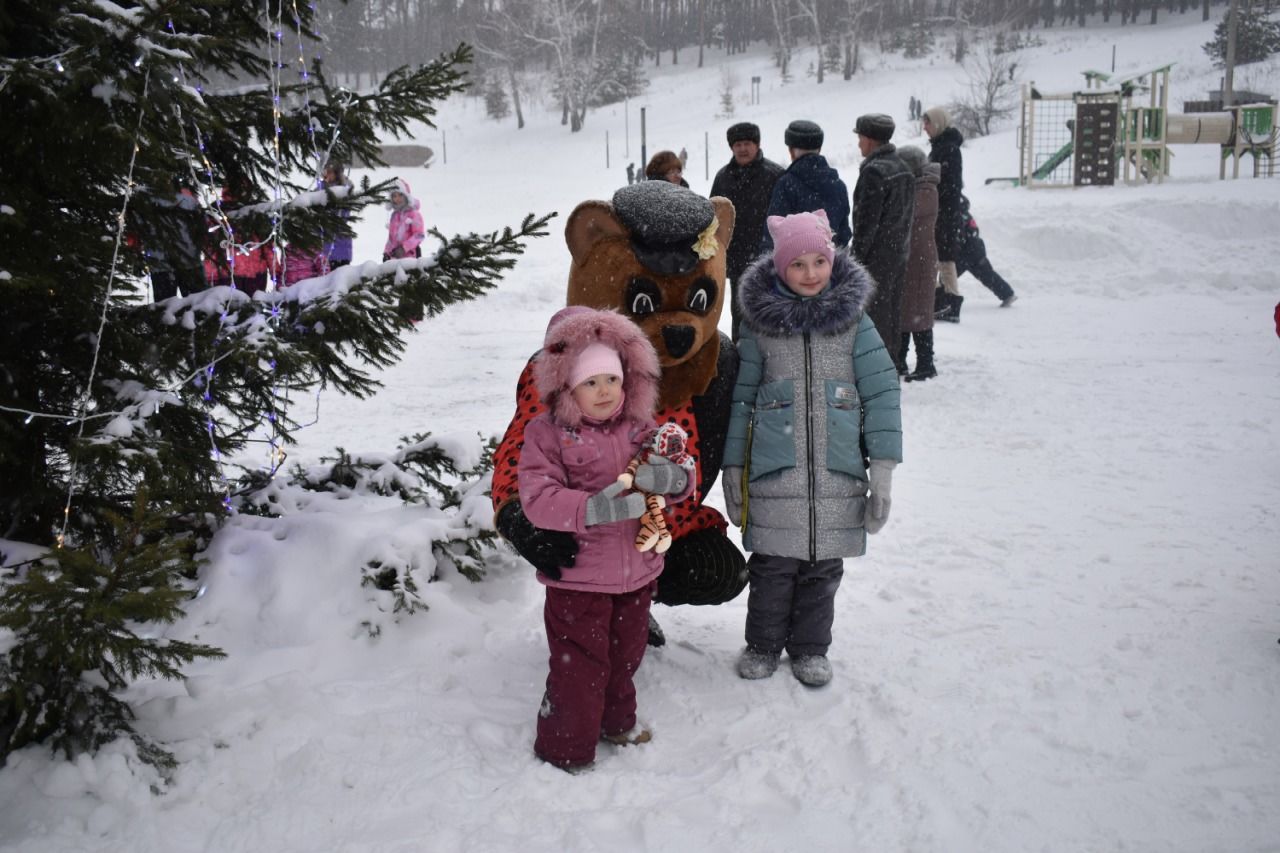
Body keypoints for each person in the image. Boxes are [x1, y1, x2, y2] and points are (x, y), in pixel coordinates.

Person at [722, 210, 903, 687]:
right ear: (780, 267)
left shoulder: (853, 324)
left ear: (832, 260)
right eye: (797, 264)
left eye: (818, 262)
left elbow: (883, 391)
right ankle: (762, 644)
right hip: (774, 474)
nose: (809, 274)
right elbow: (741, 399)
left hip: (837, 473)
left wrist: (882, 469)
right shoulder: (761, 328)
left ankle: (809, 648)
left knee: (822, 571)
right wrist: (733, 463)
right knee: (772, 569)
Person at [518, 306, 695, 771]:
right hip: (579, 579)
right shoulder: (548, 434)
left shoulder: (640, 427)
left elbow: (679, 470)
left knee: (625, 657)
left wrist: (673, 479)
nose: (604, 392)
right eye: (590, 382)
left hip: (635, 574)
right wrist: (589, 509)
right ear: (567, 384)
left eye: (612, 380)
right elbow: (537, 497)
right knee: (579, 666)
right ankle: (565, 746)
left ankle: (618, 722)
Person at [850, 113, 915, 374]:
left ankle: (877, 371)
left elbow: (867, 224)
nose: (858, 145)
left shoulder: (874, 172)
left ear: (869, 140)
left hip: (876, 259)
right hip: (898, 254)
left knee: (873, 319)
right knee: (891, 313)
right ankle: (893, 363)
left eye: (860, 138)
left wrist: (857, 259)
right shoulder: (903, 168)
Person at [710, 121, 785, 341]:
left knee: (769, 313)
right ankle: (740, 360)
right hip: (736, 259)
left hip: (768, 259)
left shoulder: (774, 175)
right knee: (740, 315)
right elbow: (713, 215)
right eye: (738, 144)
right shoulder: (723, 177)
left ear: (758, 144)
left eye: (747, 143)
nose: (742, 149)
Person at [761, 120, 852, 252]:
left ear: (791, 151)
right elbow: (844, 235)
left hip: (795, 265)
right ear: (819, 149)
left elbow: (773, 233)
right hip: (829, 264)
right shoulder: (838, 185)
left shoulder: (786, 184)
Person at [896, 145, 940, 381]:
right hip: (912, 257)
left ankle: (926, 363)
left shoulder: (925, 189)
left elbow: (905, 212)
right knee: (905, 311)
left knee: (919, 314)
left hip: (920, 260)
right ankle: (899, 360)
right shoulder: (919, 186)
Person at [923, 106, 966, 323]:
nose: (924, 128)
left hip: (945, 213)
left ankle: (951, 303)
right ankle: (941, 302)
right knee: (937, 257)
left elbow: (948, 184)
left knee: (945, 259)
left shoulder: (948, 149)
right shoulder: (941, 147)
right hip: (940, 212)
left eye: (928, 123)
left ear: (938, 123)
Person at [140, 180, 208, 301]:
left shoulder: (145, 203)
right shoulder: (189, 201)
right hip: (189, 260)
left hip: (161, 263)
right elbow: (202, 230)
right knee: (198, 304)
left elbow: (138, 232)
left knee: (165, 307)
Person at [953, 194, 1018, 309]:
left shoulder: (955, 214)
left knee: (945, 277)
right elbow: (973, 231)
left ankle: (939, 301)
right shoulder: (965, 213)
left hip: (965, 253)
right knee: (987, 274)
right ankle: (1007, 294)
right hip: (976, 249)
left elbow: (959, 237)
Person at [320, 160, 354, 272]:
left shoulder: (343, 189)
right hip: (324, 247)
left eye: (330, 172)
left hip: (341, 246)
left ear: (337, 173)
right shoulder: (320, 189)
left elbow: (344, 214)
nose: (327, 175)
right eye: (326, 172)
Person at [383, 177, 424, 261]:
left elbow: (419, 235)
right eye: (394, 196)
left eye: (400, 195)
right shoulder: (394, 215)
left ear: (406, 195)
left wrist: (404, 248)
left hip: (410, 259)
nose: (397, 199)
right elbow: (391, 238)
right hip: (394, 259)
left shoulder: (414, 214)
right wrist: (386, 253)